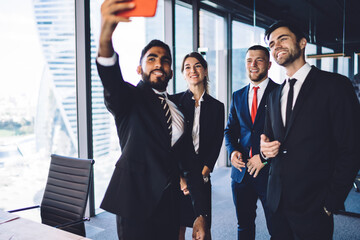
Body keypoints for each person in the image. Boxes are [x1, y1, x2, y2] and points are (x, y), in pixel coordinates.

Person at [96, 1, 210, 239]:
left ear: (170, 71)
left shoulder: (178, 110)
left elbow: (190, 163)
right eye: (152, 59)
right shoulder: (129, 99)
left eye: (165, 60)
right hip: (135, 202)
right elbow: (111, 79)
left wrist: (200, 214)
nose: (159, 63)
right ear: (139, 69)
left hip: (169, 204)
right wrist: (106, 33)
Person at [260, 20, 360, 239]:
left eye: (283, 39)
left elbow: (351, 148)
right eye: (272, 44)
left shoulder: (335, 85)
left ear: (303, 42)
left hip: (315, 205)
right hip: (276, 203)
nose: (276, 46)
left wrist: (331, 202)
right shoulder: (274, 95)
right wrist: (265, 151)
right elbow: (269, 144)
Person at [224, 45, 278, 239]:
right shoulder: (237, 95)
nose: (253, 64)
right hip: (241, 173)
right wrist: (232, 151)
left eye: (259, 60)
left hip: (271, 173)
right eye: (249, 60)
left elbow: (286, 136)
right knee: (244, 225)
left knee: (277, 227)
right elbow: (230, 131)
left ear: (269, 64)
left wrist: (263, 158)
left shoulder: (280, 92)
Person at [172, 52, 225, 240]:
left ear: (205, 70)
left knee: (203, 230)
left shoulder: (217, 107)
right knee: (177, 229)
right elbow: (170, 142)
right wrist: (180, 177)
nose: (192, 70)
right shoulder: (174, 101)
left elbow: (217, 140)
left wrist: (206, 170)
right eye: (187, 67)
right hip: (179, 177)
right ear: (183, 73)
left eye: (197, 66)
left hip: (201, 174)